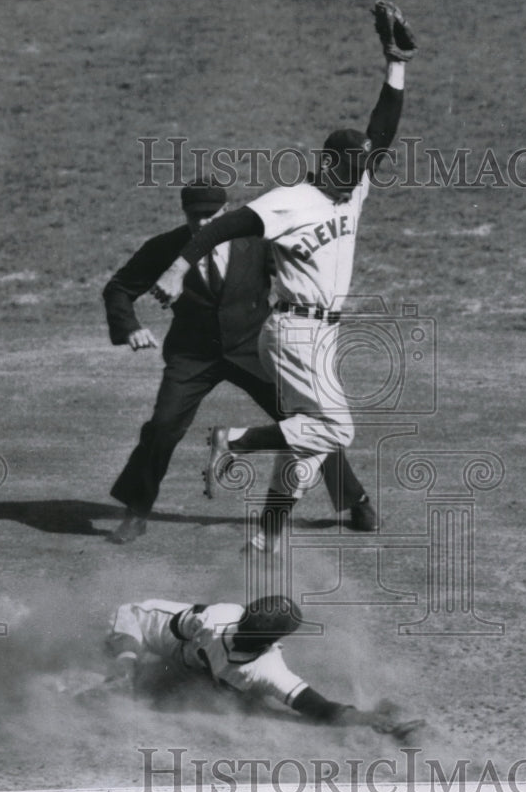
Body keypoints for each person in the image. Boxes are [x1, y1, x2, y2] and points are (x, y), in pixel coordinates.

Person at [150, 1, 416, 553]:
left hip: (320, 335)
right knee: (337, 429)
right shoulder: (291, 201)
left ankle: (268, 534)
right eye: (354, 169)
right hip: (295, 332)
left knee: (311, 439)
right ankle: (234, 440)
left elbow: (383, 129)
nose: (361, 176)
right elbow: (224, 228)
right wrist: (178, 267)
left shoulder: (355, 182)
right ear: (331, 166)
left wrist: (395, 64)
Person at [103, 180, 377, 544]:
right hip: (193, 355)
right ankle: (136, 512)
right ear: (183, 213)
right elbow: (118, 288)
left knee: (310, 421)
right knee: (163, 427)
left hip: (253, 348)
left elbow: (302, 267)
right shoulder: (166, 248)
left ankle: (354, 499)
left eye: (210, 216)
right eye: (194, 216)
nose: (202, 224)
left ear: (226, 211)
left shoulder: (258, 242)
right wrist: (130, 328)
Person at [102, 593, 424, 740]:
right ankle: (117, 677)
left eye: (251, 629)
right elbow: (164, 628)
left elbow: (320, 708)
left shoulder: (270, 671)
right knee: (127, 666)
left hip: (184, 662)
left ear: (266, 642)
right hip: (140, 623)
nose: (243, 628)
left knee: (209, 687)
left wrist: (369, 718)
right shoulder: (216, 617)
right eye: (246, 621)